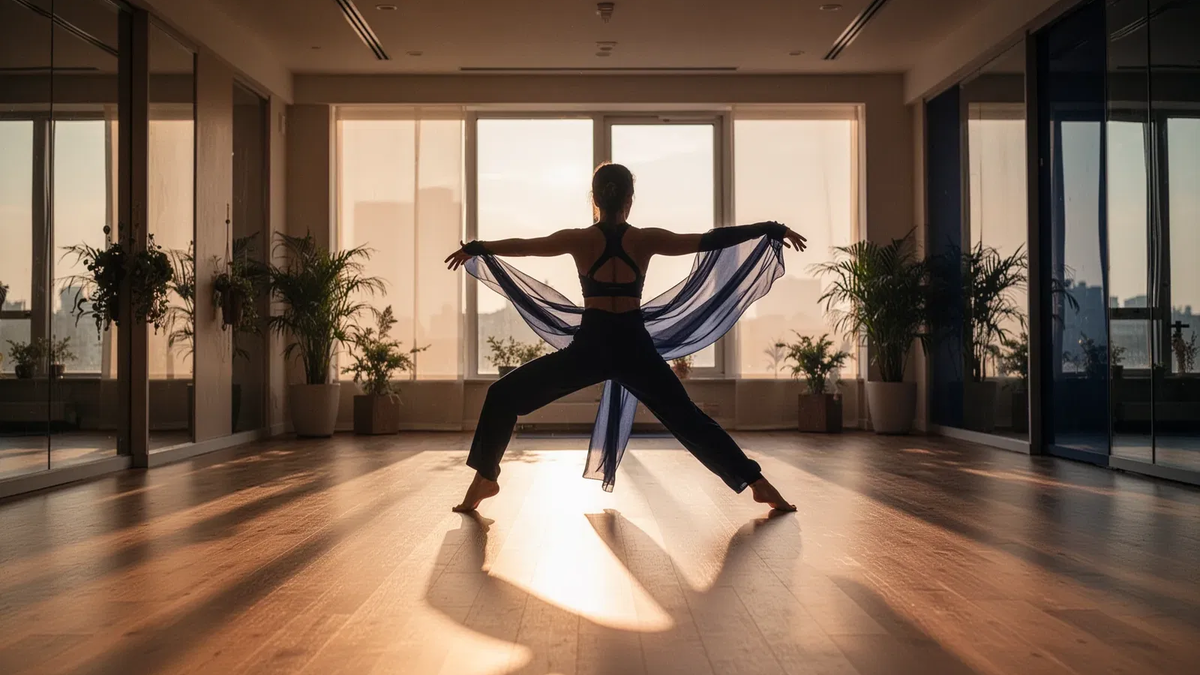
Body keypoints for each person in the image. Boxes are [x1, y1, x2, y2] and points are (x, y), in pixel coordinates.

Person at [445, 163, 806, 513]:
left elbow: (525, 245)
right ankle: (759, 485)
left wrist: (478, 247)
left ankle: (485, 477)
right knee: (689, 421)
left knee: (503, 394)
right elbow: (711, 240)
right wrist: (770, 228)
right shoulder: (645, 239)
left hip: (592, 347)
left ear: (594, 199)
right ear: (630, 200)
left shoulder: (579, 239)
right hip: (633, 346)